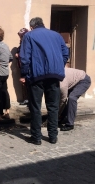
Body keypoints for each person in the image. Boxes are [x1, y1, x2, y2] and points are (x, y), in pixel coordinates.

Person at [19, 17, 68, 145]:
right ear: (43, 24)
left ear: (32, 27)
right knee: (53, 107)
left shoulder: (29, 36)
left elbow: (25, 58)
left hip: (36, 76)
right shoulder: (56, 35)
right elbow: (65, 53)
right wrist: (58, 66)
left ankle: (36, 137)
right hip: (54, 76)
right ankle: (53, 136)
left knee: (35, 107)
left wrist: (24, 74)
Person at [15, 28, 29, 105]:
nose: (20, 38)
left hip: (27, 67)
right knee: (23, 83)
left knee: (27, 83)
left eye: (21, 36)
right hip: (22, 66)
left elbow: (26, 55)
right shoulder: (21, 43)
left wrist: (19, 55)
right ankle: (25, 98)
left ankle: (28, 99)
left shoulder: (27, 43)